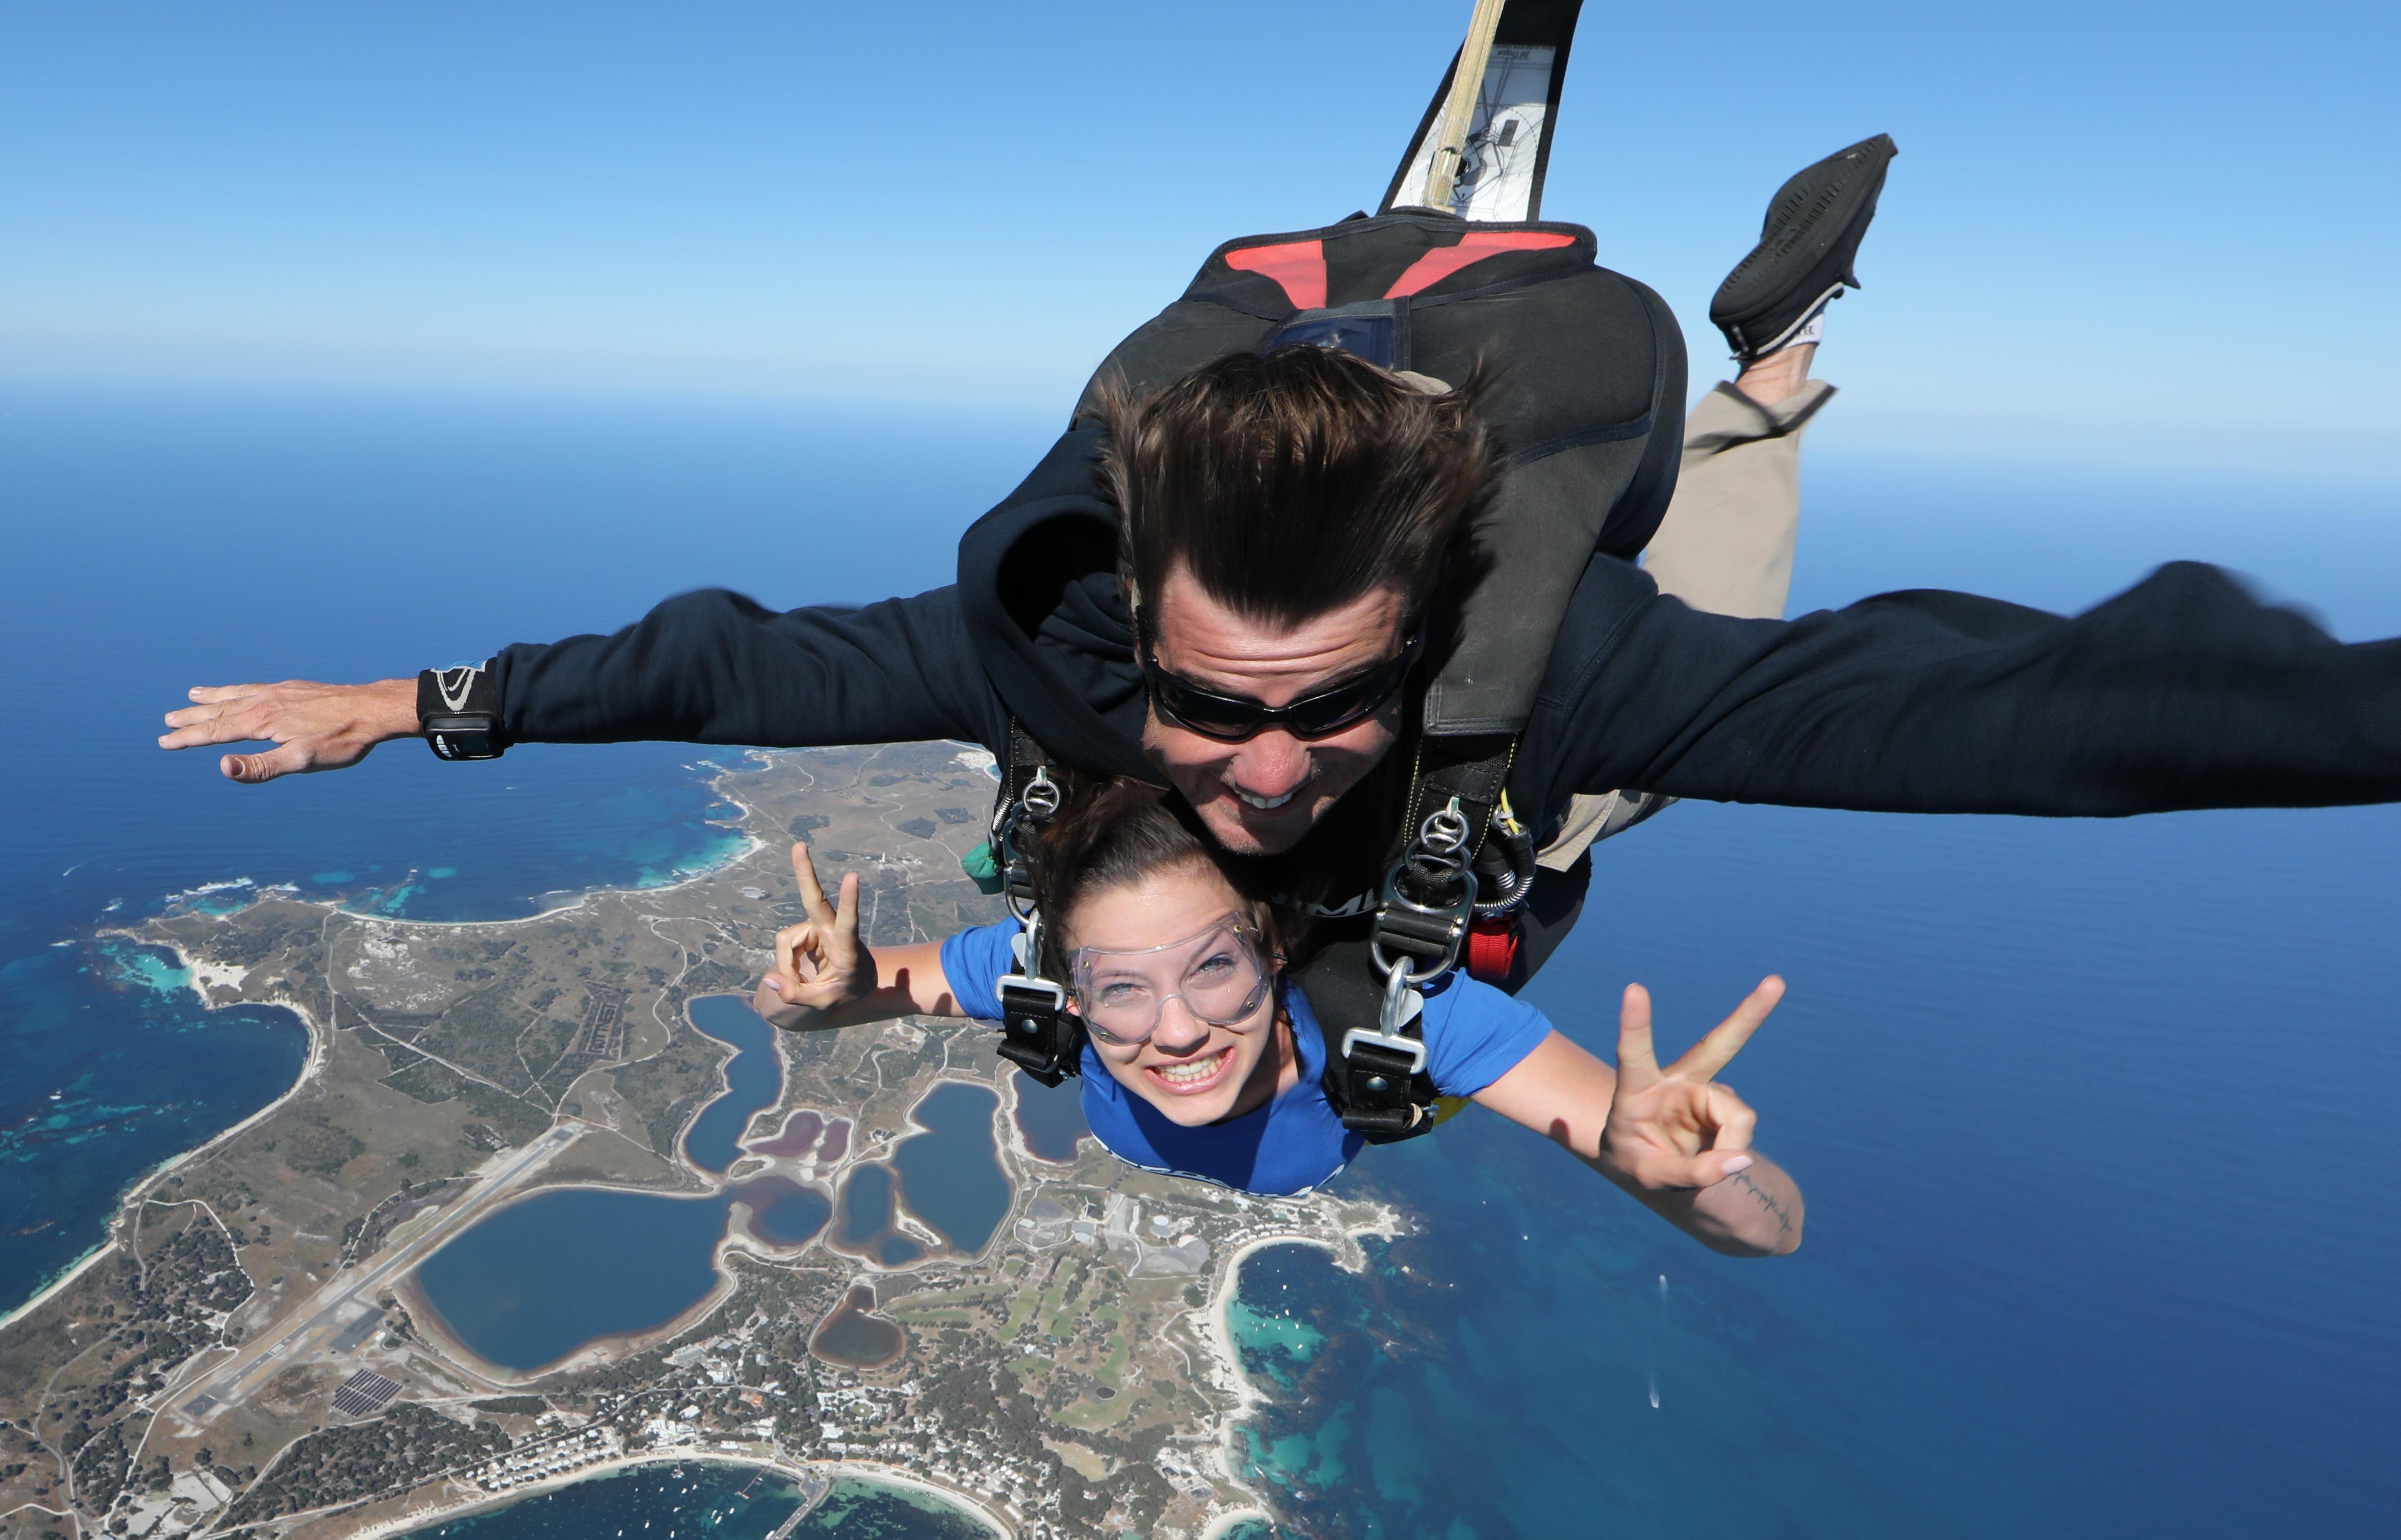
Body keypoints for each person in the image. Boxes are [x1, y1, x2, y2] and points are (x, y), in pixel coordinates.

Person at [157, 137, 2401, 1028]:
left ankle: (1767, 359)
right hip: (1397, 628)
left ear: (1407, 639)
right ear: (1141, 636)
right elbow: (738, 663)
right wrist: (417, 703)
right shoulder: (1059, 655)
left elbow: (2004, 722)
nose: (1259, 763)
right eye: (1213, 705)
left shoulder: (1545, 675)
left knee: (1683, 622)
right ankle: (1473, 319)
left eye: (1325, 705)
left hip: (1539, 705)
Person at [746, 794, 1802, 1258]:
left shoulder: (1410, 1025)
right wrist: (810, 999)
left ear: (1274, 950)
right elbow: (815, 1003)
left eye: (1215, 967)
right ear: (1068, 988)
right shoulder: (1027, 972)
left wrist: (1699, 1182)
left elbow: (1776, 1227)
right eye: (1119, 988)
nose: (1177, 1030)